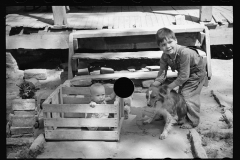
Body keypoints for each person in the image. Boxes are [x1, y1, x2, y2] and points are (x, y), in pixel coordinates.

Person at [151, 27, 207, 129]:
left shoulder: (184, 53)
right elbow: (162, 74)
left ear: (176, 40)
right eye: (163, 44)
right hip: (185, 74)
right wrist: (154, 85)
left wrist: (169, 87)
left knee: (187, 96)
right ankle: (179, 117)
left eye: (170, 42)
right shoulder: (165, 57)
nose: (167, 46)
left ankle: (193, 121)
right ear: (159, 46)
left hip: (196, 75)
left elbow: (184, 77)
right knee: (178, 96)